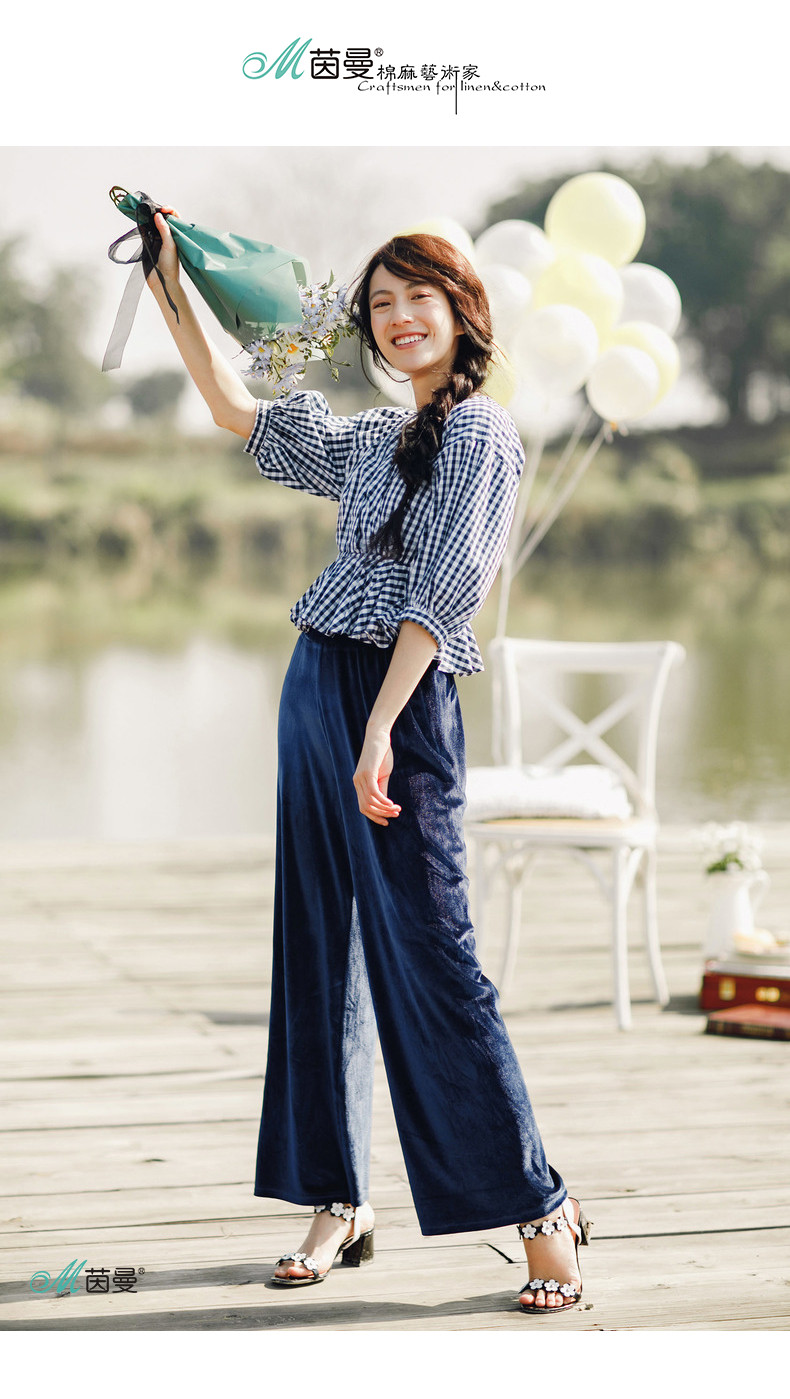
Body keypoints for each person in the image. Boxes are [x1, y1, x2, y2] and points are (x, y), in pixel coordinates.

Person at [144, 207, 591, 1315]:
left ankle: (542, 1211)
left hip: (399, 698)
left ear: (460, 310)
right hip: (316, 685)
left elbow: (444, 593)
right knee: (317, 947)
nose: (397, 319)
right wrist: (169, 285)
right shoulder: (375, 435)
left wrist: (383, 726)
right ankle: (338, 1199)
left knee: (434, 956)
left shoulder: (481, 434)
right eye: (381, 303)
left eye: (416, 299)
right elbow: (236, 412)